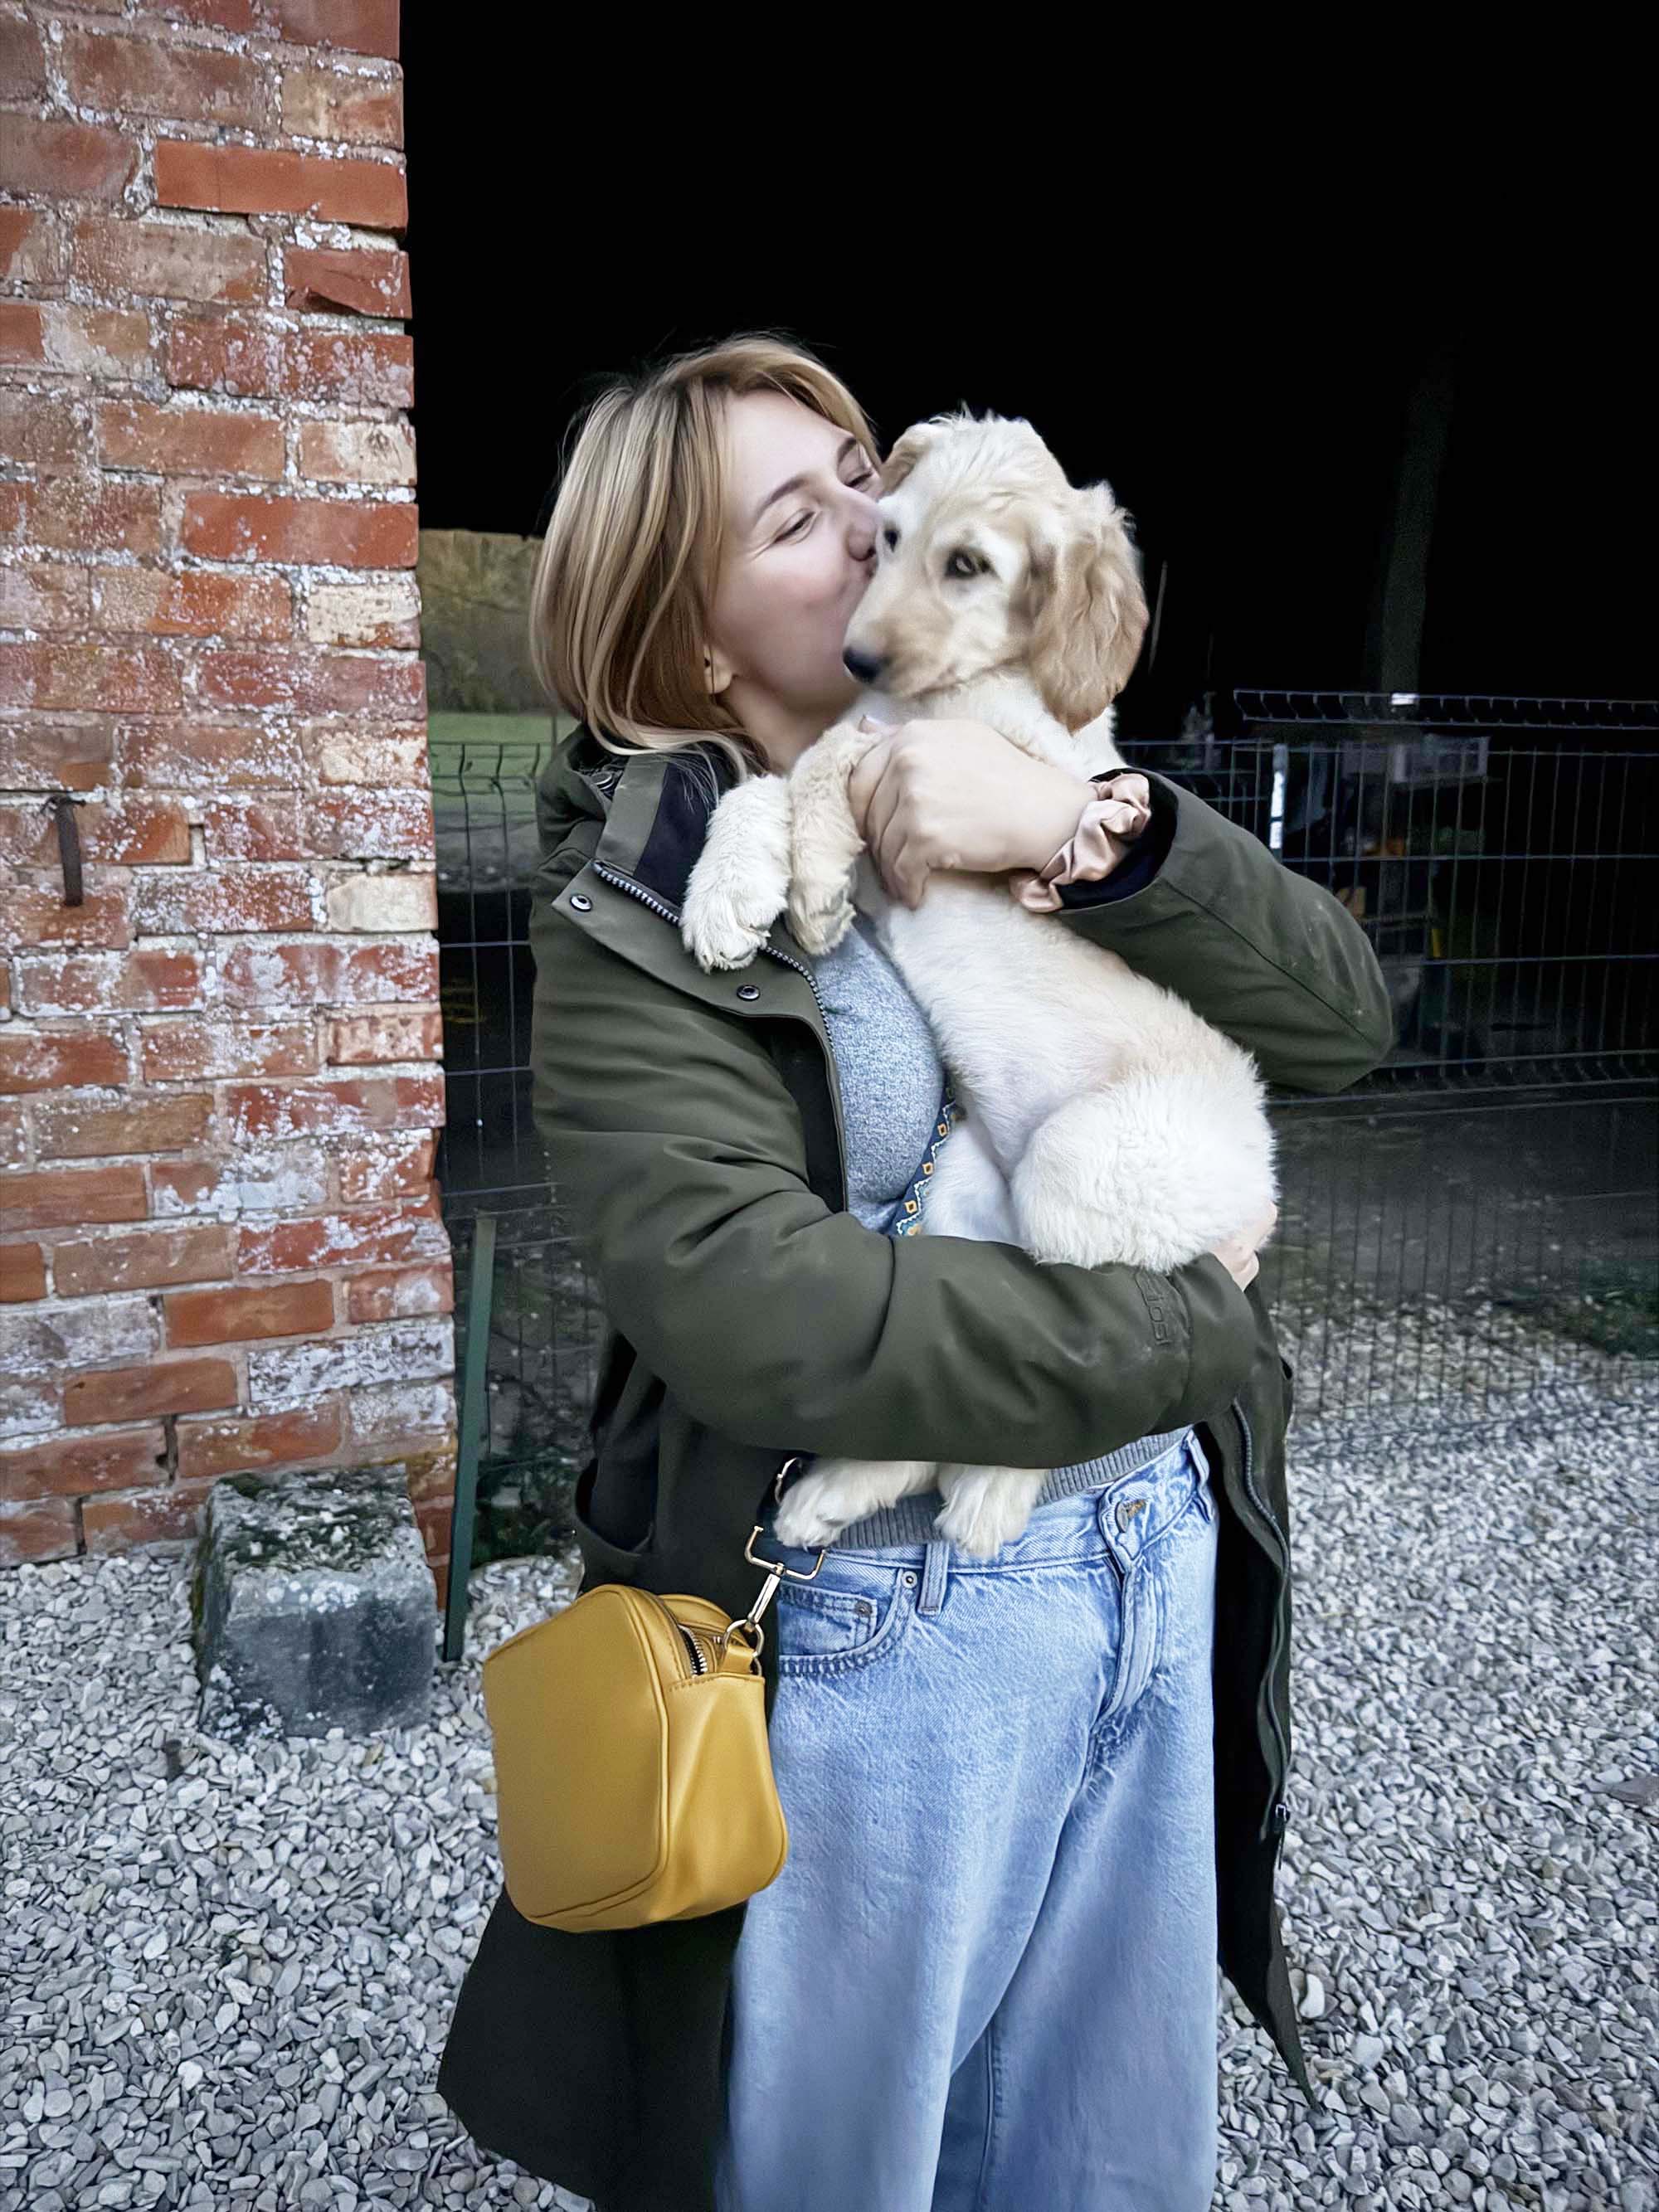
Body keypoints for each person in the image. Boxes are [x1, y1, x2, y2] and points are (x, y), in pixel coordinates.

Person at [436, 332, 1395, 2212]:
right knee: (853, 2167)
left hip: (1149, 1555)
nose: (877, 515)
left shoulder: (1022, 760)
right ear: (695, 640)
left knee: (1105, 2157)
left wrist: (1087, 834)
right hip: (896, 1629)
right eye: (800, 516)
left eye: (861, 465)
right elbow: (757, 1307)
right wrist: (1192, 1318)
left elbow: (1343, 1017)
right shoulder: (647, 905)